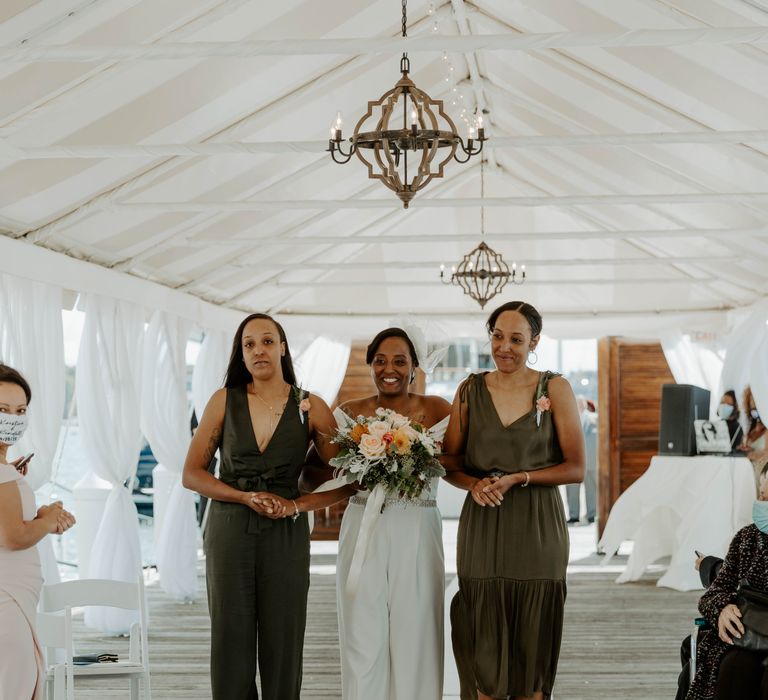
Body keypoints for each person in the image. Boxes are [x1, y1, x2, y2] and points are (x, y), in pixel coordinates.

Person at [182, 313, 347, 700]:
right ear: (241, 354)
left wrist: (297, 505)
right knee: (230, 641)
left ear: (283, 348)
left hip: (286, 536)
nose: (259, 350)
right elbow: (192, 474)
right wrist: (242, 497)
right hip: (229, 531)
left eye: (268, 341)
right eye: (249, 344)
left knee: (284, 641)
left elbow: (345, 477)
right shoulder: (224, 400)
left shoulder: (311, 406)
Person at [443, 301, 585, 700]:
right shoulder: (469, 389)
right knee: (484, 659)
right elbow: (449, 462)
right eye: (498, 336)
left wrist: (520, 478)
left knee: (530, 664)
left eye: (517, 339)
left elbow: (576, 468)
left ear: (534, 341)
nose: (505, 347)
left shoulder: (554, 388)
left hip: (538, 529)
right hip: (483, 529)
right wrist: (472, 484)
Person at [314, 327, 450, 700]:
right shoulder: (349, 413)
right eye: (380, 360)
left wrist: (416, 461)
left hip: (418, 528)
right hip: (363, 527)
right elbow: (316, 469)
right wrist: (354, 470)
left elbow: (461, 463)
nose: (388, 369)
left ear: (414, 367)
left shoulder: (439, 409)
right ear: (370, 364)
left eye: (399, 361)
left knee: (417, 633)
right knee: (362, 635)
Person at [0, 364, 75, 700]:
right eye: (2, 410)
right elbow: (14, 537)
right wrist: (48, 519)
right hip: (7, 600)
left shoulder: (5, 469)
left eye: (20, 411)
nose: (12, 418)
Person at [686, 462, 768, 699]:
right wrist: (721, 608)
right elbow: (718, 589)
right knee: (733, 669)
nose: (763, 505)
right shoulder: (747, 538)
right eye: (762, 496)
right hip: (747, 634)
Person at [566, 397, 597, 524]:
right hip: (572, 461)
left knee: (592, 489)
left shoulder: (594, 418)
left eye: (580, 403)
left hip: (590, 460)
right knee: (571, 490)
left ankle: (592, 514)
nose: (578, 405)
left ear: (584, 405)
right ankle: (574, 515)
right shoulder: (567, 418)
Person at [740, 385, 767, 488]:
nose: (754, 403)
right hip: (747, 474)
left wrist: (754, 454)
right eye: (752, 400)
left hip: (760, 476)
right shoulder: (749, 429)